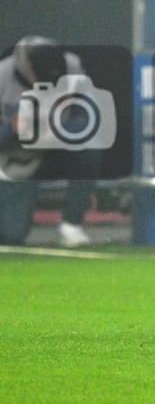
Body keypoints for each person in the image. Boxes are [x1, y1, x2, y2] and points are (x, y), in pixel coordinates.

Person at [0, 37, 100, 247]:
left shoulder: (72, 66)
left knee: (91, 145)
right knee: (11, 236)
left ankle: (71, 225)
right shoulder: (3, 76)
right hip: (16, 158)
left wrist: (59, 131)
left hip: (56, 148)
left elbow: (89, 117)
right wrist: (12, 129)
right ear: (28, 67)